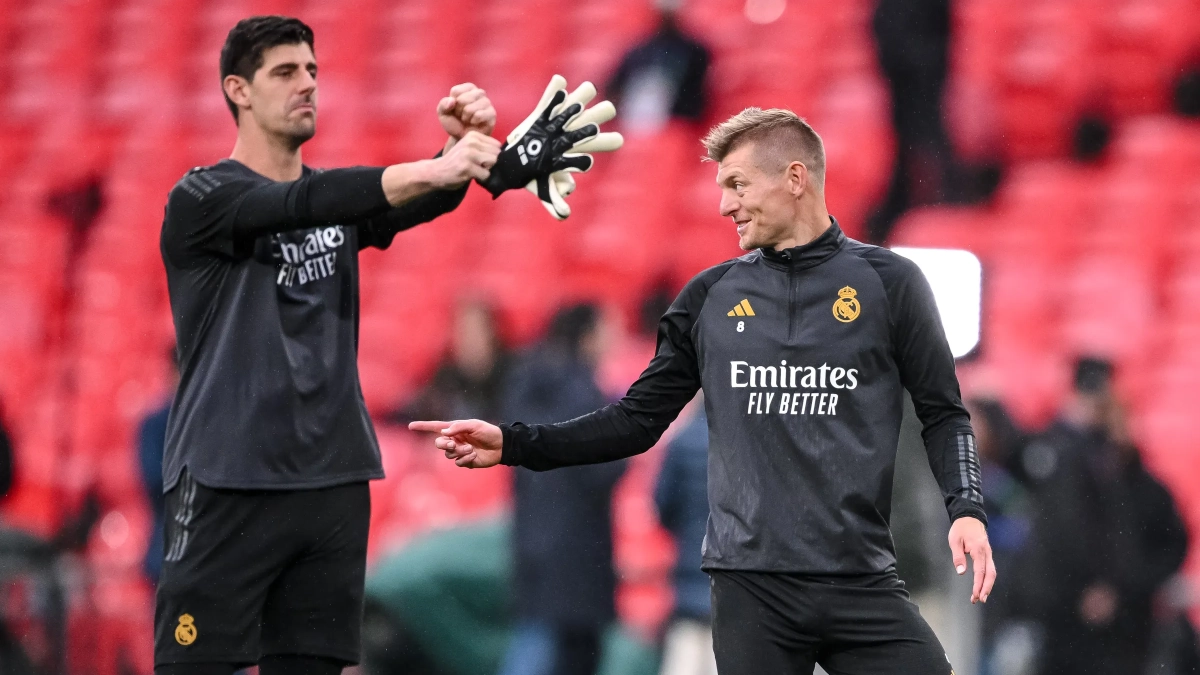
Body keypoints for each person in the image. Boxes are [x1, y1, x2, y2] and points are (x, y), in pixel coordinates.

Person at [412, 107, 995, 675]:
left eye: (738, 184)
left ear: (795, 179)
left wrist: (964, 508)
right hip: (751, 591)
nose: (724, 204)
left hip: (860, 578)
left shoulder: (892, 285)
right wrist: (515, 444)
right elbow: (634, 422)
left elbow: (944, 413)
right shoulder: (708, 298)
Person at [150, 13, 568, 674]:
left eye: (312, 71)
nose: (306, 84)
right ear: (237, 89)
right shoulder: (202, 198)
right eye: (285, 72)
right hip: (229, 477)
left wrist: (472, 157)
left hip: (332, 481)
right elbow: (306, 203)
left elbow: (405, 202)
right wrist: (442, 169)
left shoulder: (335, 202)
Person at [1016, 357, 1188, 675]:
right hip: (1066, 623)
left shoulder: (1147, 489)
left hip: (1126, 628)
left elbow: (1171, 544)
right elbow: (1055, 542)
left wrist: (1122, 590)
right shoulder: (1066, 467)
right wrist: (1078, 594)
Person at [497, 304, 627, 675]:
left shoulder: (524, 388)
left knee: (534, 638)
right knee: (554, 653)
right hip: (578, 553)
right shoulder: (588, 398)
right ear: (586, 337)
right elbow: (605, 470)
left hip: (532, 545)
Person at [654, 402, 717, 675]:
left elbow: (662, 505)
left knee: (685, 660)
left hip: (690, 572)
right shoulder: (752, 442)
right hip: (736, 581)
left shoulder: (682, 440)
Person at [390, 299, 511, 424]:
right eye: (464, 330)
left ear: (493, 332)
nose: (471, 338)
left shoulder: (513, 374)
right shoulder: (445, 375)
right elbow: (409, 414)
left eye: (477, 330)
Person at [606, 2, 711, 134]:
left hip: (677, 127)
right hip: (635, 126)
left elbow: (699, 99)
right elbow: (612, 89)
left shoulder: (694, 51)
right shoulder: (638, 50)